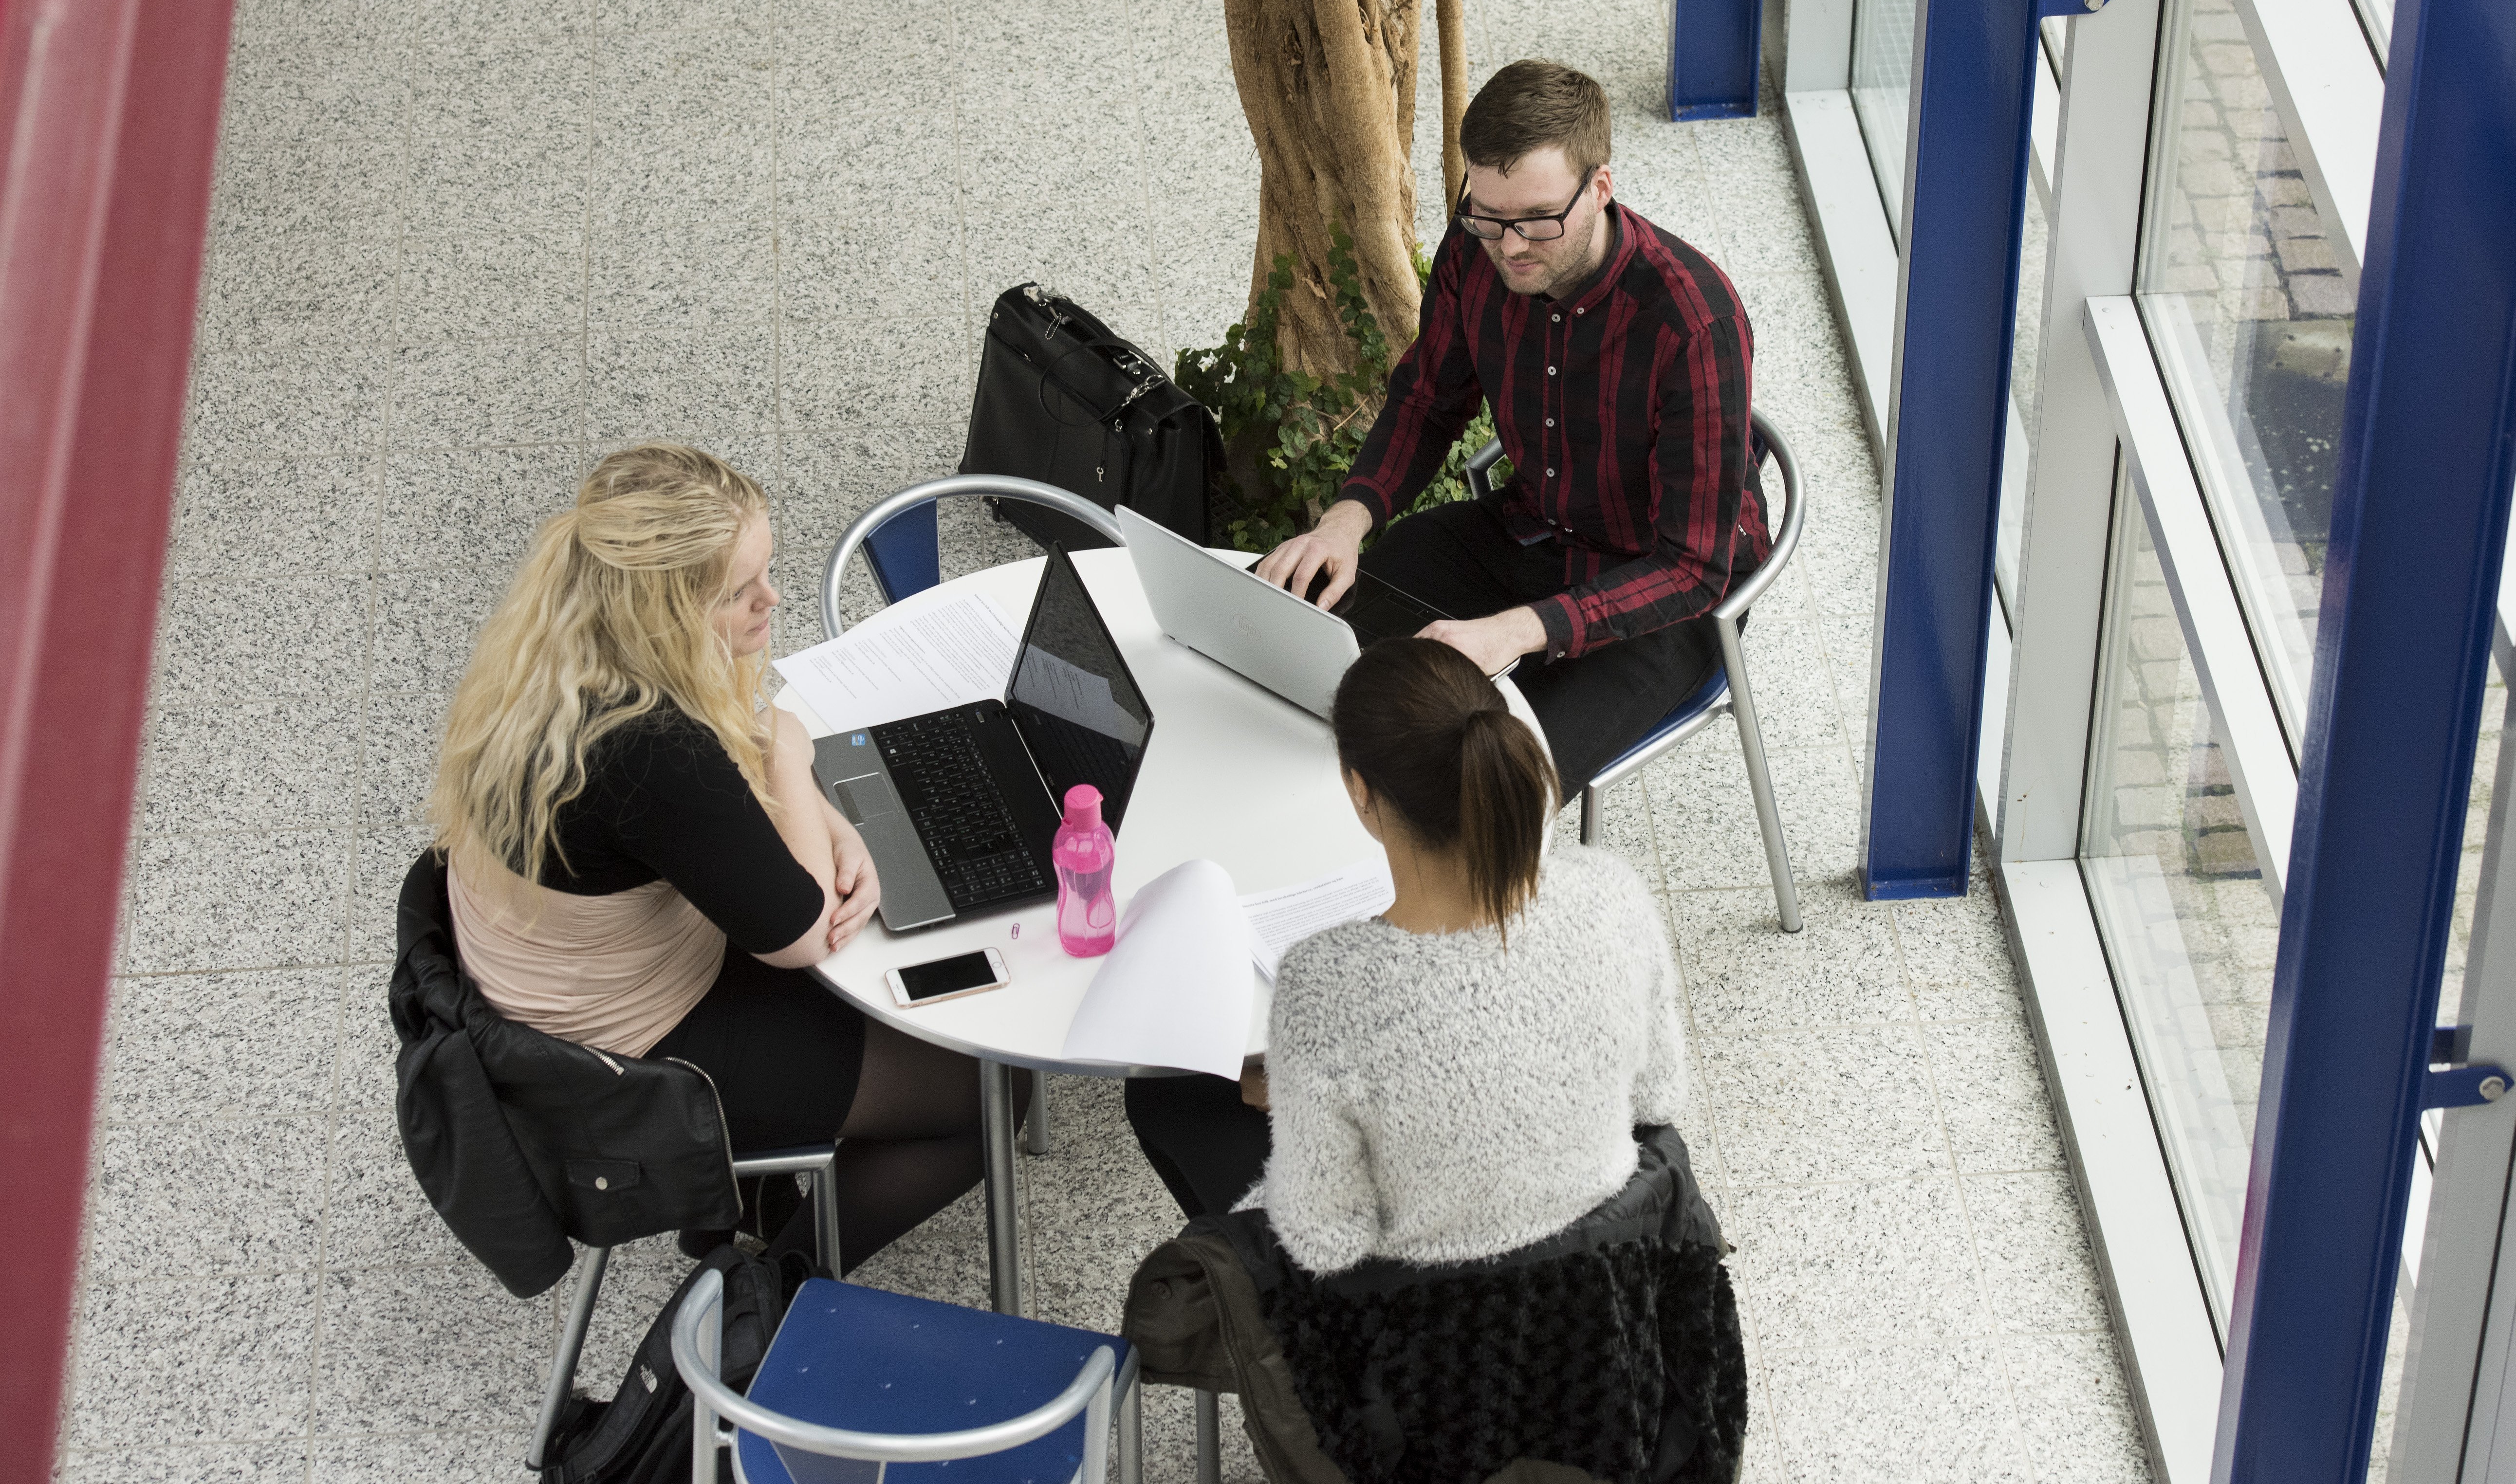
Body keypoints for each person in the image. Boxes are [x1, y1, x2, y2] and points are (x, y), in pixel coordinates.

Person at [427, 442, 1009, 1268]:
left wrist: (818, 805)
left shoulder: (561, 657)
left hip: (544, 996)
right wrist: (789, 748)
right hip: (623, 1067)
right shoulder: (649, 748)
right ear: (662, 610)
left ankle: (751, 1199)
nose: (771, 601)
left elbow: (727, 793)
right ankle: (772, 1291)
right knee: (981, 1095)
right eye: (739, 593)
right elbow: (804, 930)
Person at [1258, 58, 1771, 802]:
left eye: (1535, 221)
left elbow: (1692, 568)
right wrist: (1344, 522)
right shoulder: (1476, 252)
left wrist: (1517, 630)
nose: (1511, 247)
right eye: (1488, 217)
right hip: (1532, 531)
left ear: (1599, 187)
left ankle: (1437, 900)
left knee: (1499, 787)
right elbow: (1427, 400)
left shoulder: (1693, 322)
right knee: (1322, 642)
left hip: (1663, 597)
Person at [1126, 637, 1689, 1259]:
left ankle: (1280, 1336)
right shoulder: (1614, 891)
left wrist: (1293, 1096)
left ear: (1359, 791)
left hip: (1419, 1317)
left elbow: (1326, 1237)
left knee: (1166, 1095)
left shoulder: (1327, 983)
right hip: (1602, 1273)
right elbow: (1656, 1099)